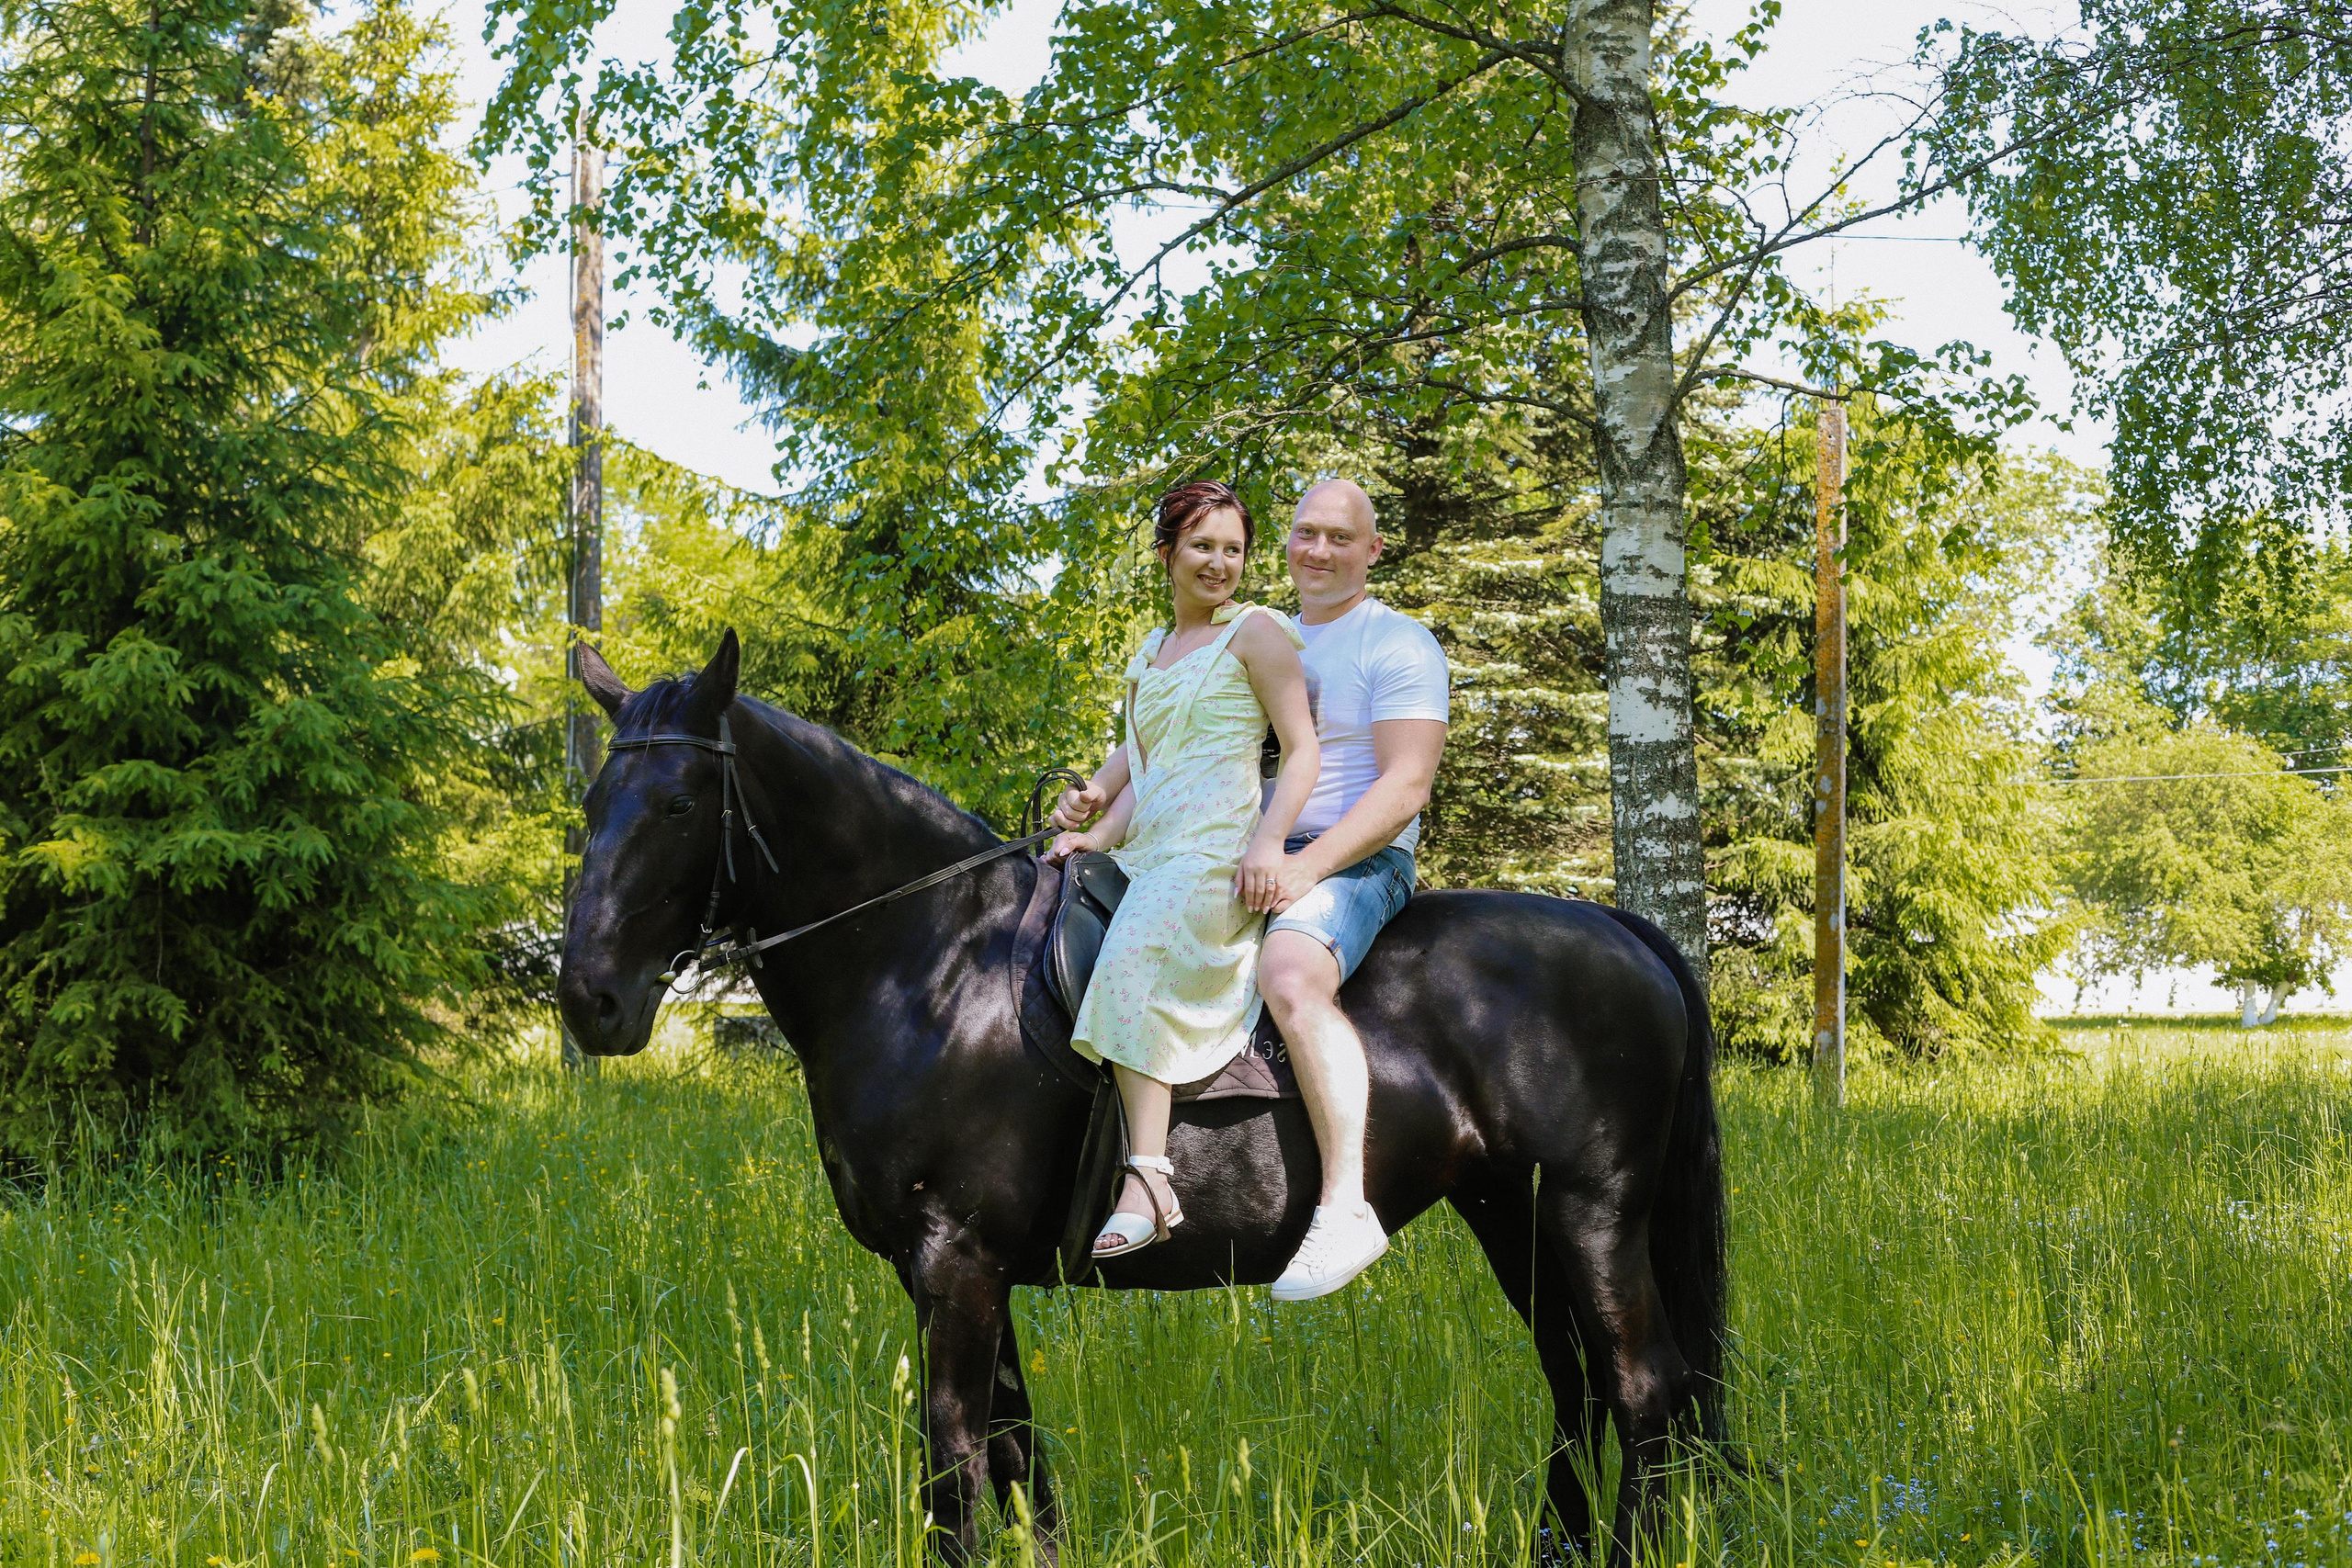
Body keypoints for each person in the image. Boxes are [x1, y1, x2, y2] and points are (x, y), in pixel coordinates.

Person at [1057, 479, 1449, 1300]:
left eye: (1341, 536)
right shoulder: (1253, 633)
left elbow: (1406, 787)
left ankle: (1344, 1203)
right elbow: (1172, 741)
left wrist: (1302, 863)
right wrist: (1099, 807)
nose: (1319, 549)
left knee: (1291, 972)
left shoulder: (1397, 643)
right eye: (1306, 532)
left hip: (1353, 852)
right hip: (1234, 842)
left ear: (1372, 550)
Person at [1047, 481, 1320, 1258]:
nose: (1220, 563)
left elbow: (1301, 749)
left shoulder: (1255, 633)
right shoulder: (1152, 652)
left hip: (1213, 856)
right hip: (1149, 846)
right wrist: (1094, 821)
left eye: (1233, 549)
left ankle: (1149, 1177)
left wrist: (1269, 843)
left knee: (1133, 955)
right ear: (1166, 553)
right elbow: (1141, 766)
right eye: (1203, 545)